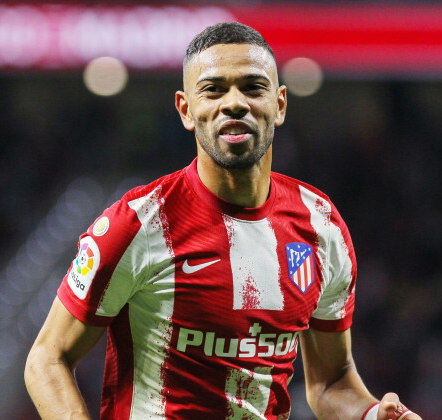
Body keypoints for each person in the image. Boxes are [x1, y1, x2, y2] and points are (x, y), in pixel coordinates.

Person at [24, 22, 421, 420]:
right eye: (214, 89)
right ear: (186, 110)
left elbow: (331, 383)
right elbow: (47, 358)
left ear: (280, 104)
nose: (234, 103)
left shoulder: (321, 227)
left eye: (253, 87)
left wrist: (372, 415)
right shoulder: (138, 224)